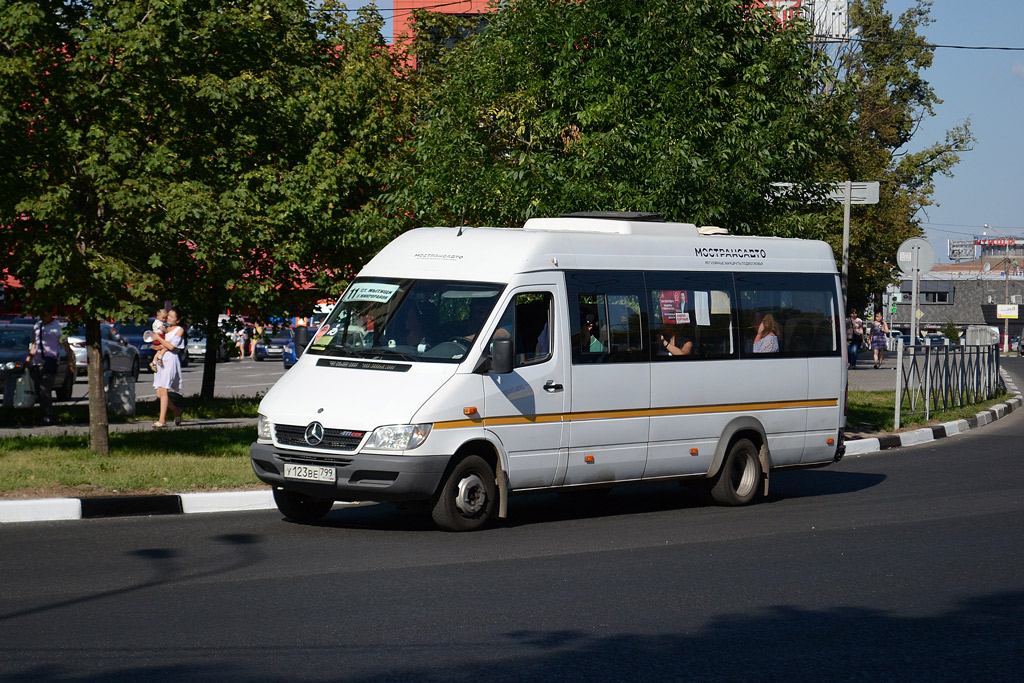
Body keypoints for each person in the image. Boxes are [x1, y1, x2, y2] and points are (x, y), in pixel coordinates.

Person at [26, 311, 75, 425]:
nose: (43, 316)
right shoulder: (38, 325)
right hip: (37, 362)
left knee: (45, 390)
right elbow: (35, 343)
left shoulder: (58, 327)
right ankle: (42, 414)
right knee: (38, 391)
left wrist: (70, 362)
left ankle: (48, 416)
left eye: (45, 314)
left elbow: (66, 346)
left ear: (50, 314)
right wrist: (29, 358)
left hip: (50, 361)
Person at [152, 307, 185, 428]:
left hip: (170, 360)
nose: (168, 318)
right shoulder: (165, 329)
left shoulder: (179, 330)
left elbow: (171, 347)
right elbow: (159, 345)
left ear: (178, 320)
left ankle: (162, 420)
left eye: (172, 317)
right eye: (168, 316)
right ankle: (176, 410)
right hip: (161, 359)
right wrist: (156, 345)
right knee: (159, 393)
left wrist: (159, 339)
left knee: (164, 388)